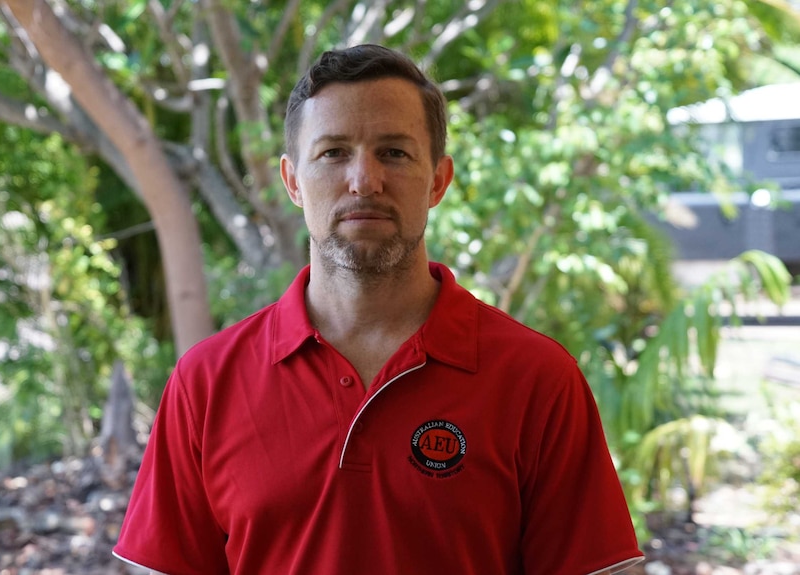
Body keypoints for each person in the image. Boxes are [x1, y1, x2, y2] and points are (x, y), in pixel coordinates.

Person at [113, 44, 645, 575]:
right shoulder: (206, 383)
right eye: (333, 153)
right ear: (292, 181)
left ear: (438, 179)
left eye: (394, 152)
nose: (364, 180)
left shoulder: (537, 380)